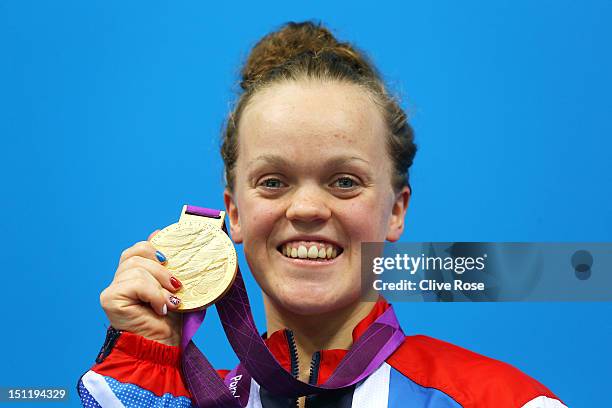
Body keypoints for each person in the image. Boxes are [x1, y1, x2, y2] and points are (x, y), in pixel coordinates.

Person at [77, 21, 566, 408]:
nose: (308, 208)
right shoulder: (172, 397)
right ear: (234, 214)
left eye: (344, 182)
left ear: (396, 211)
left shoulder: (504, 401)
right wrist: (148, 362)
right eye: (273, 182)